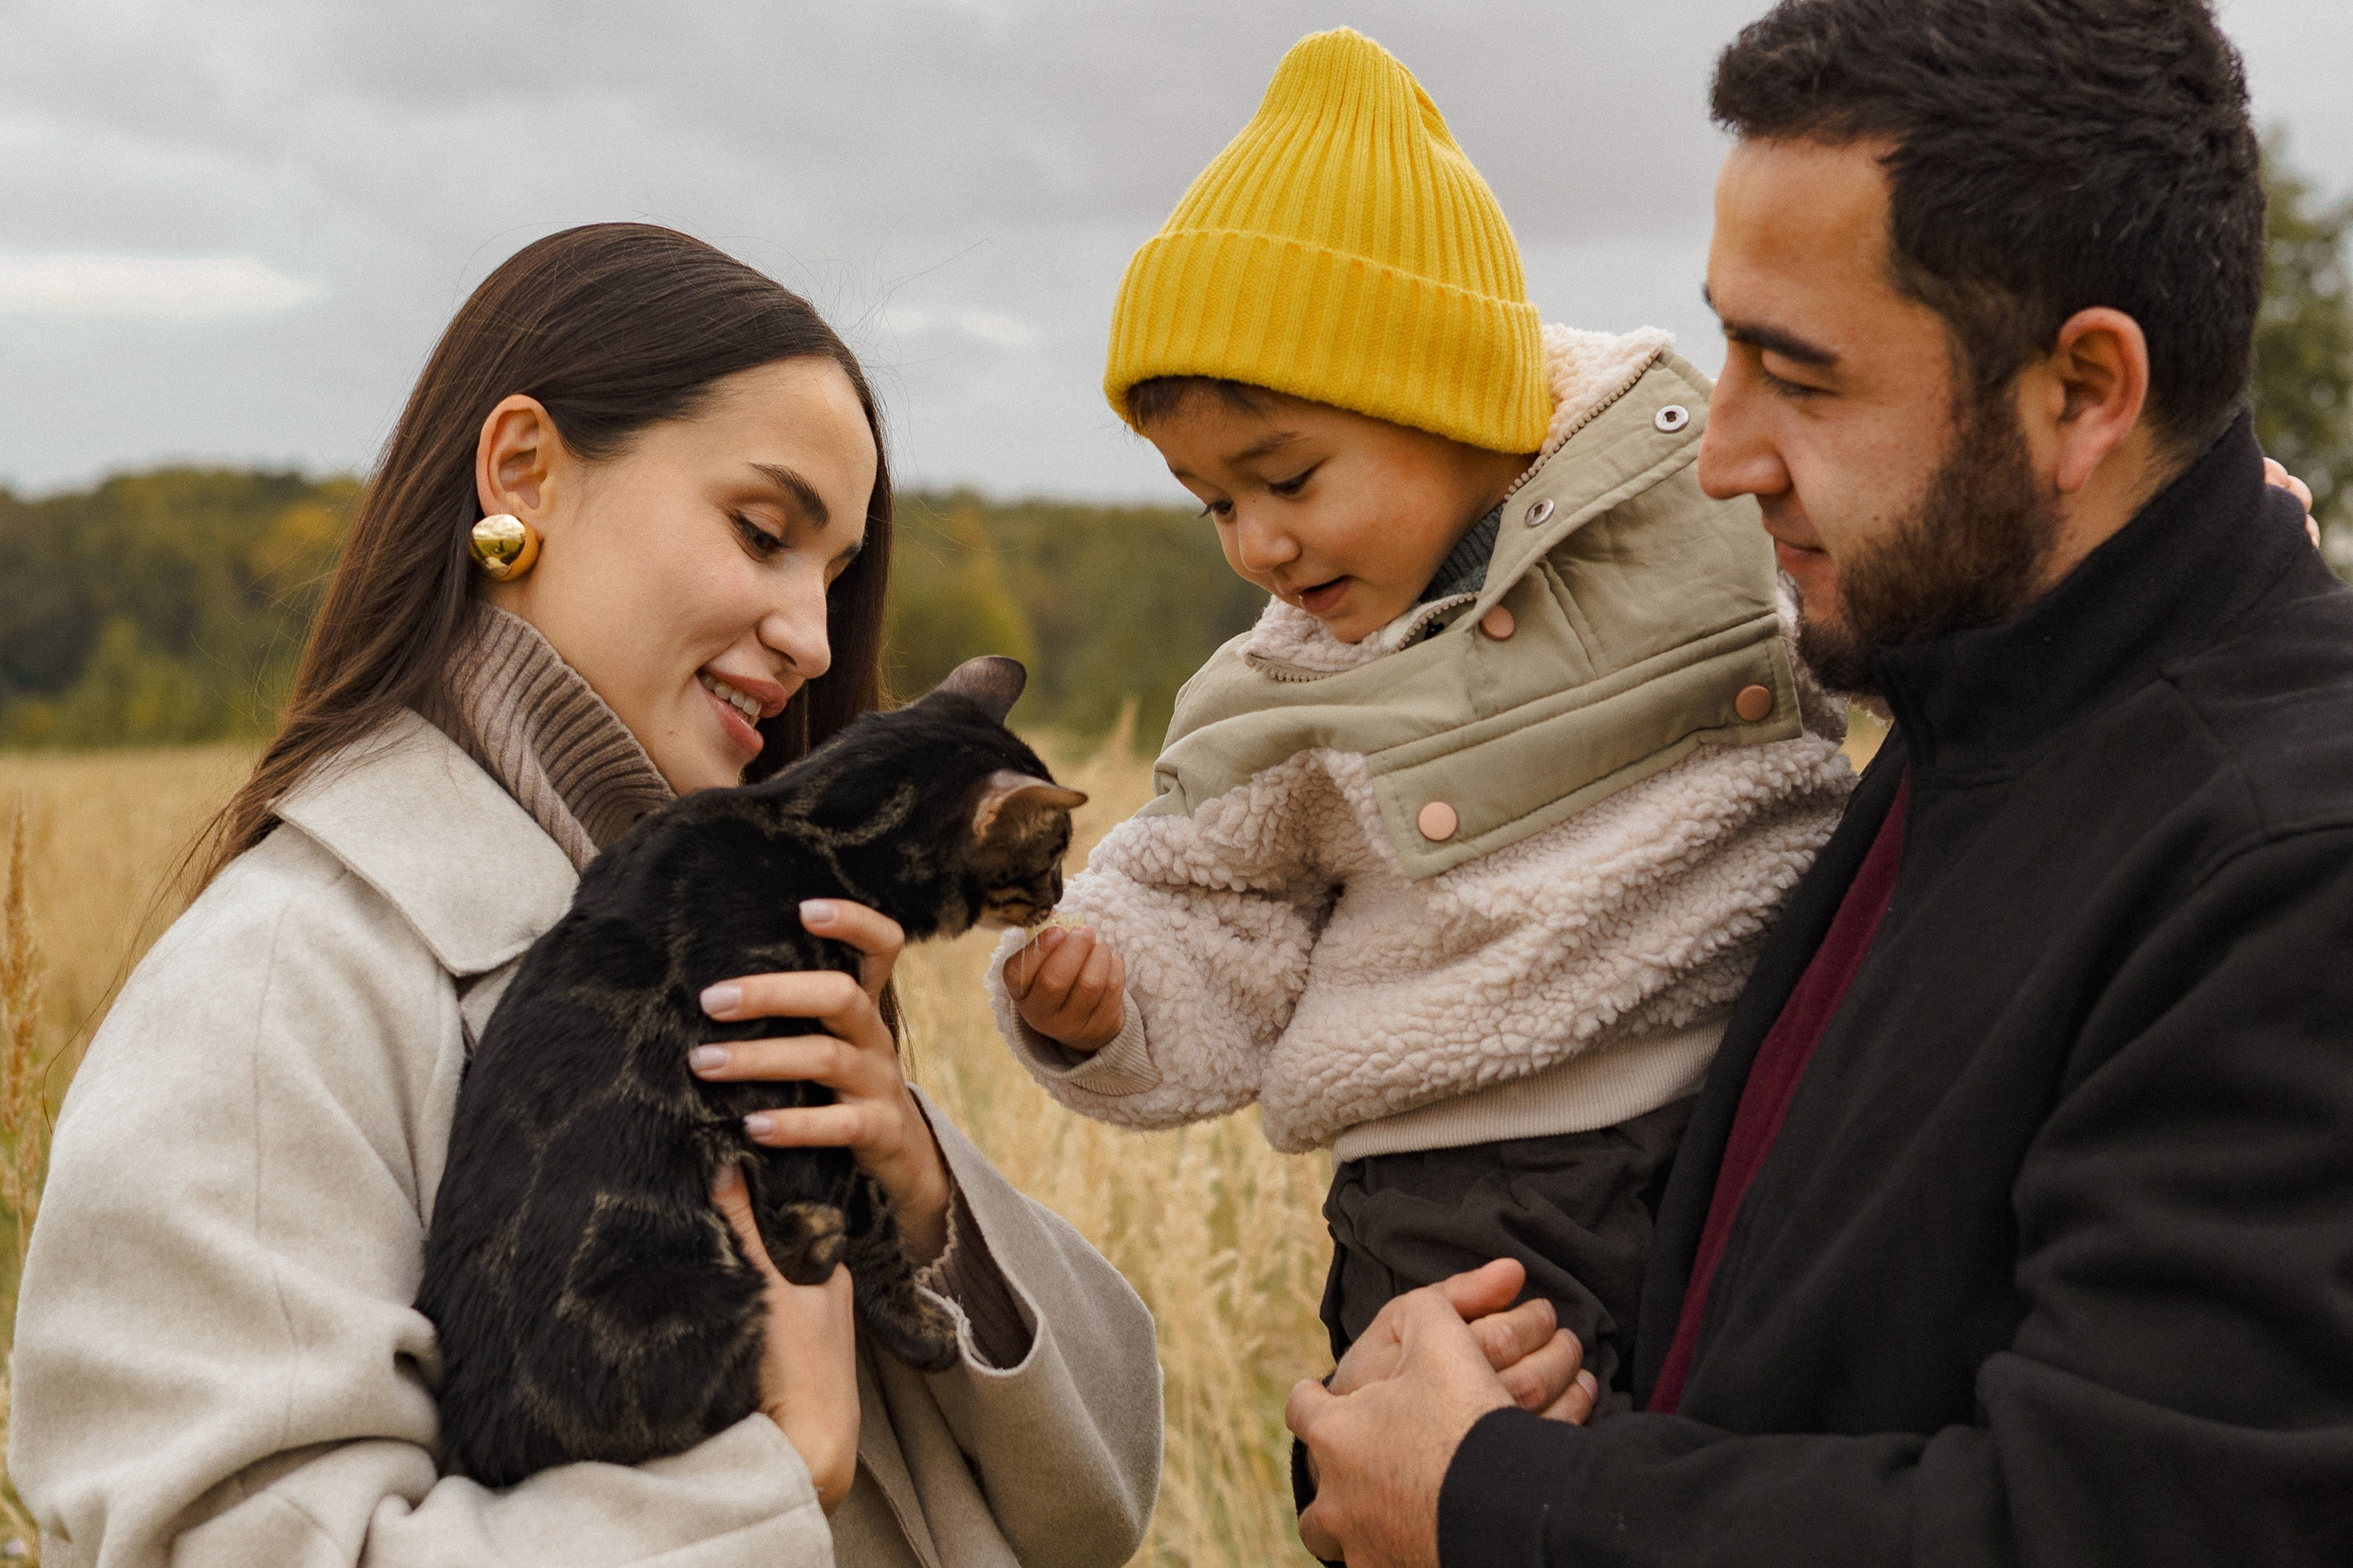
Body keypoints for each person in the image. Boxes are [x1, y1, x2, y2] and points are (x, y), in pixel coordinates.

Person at [1283, 2, 2353, 1563]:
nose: (1723, 453)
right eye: (1724, 341)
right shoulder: (1970, 699)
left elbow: (2125, 1520)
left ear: (2085, 394)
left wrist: (1505, 1504)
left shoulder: (2292, 863)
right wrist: (1544, 1372)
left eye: (1802, 375)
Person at [8, 223, 1164, 1568]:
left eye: (835, 574)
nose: (816, 635)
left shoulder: (719, 942)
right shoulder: (276, 988)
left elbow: (1093, 1508)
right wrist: (770, 1481)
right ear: (524, 473)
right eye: (763, 530)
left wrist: (924, 1207)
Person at [987, 26, 1854, 1413]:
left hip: (1768, 1106)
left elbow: (1918, 603)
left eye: (1286, 476)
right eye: (1214, 501)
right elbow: (1202, 908)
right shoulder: (1283, 700)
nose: (1256, 543)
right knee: (1458, 1467)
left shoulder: (1703, 499)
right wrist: (1101, 997)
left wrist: (2141, 561)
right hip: (1477, 1199)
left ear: (1443, 395)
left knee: (1777, 1453)